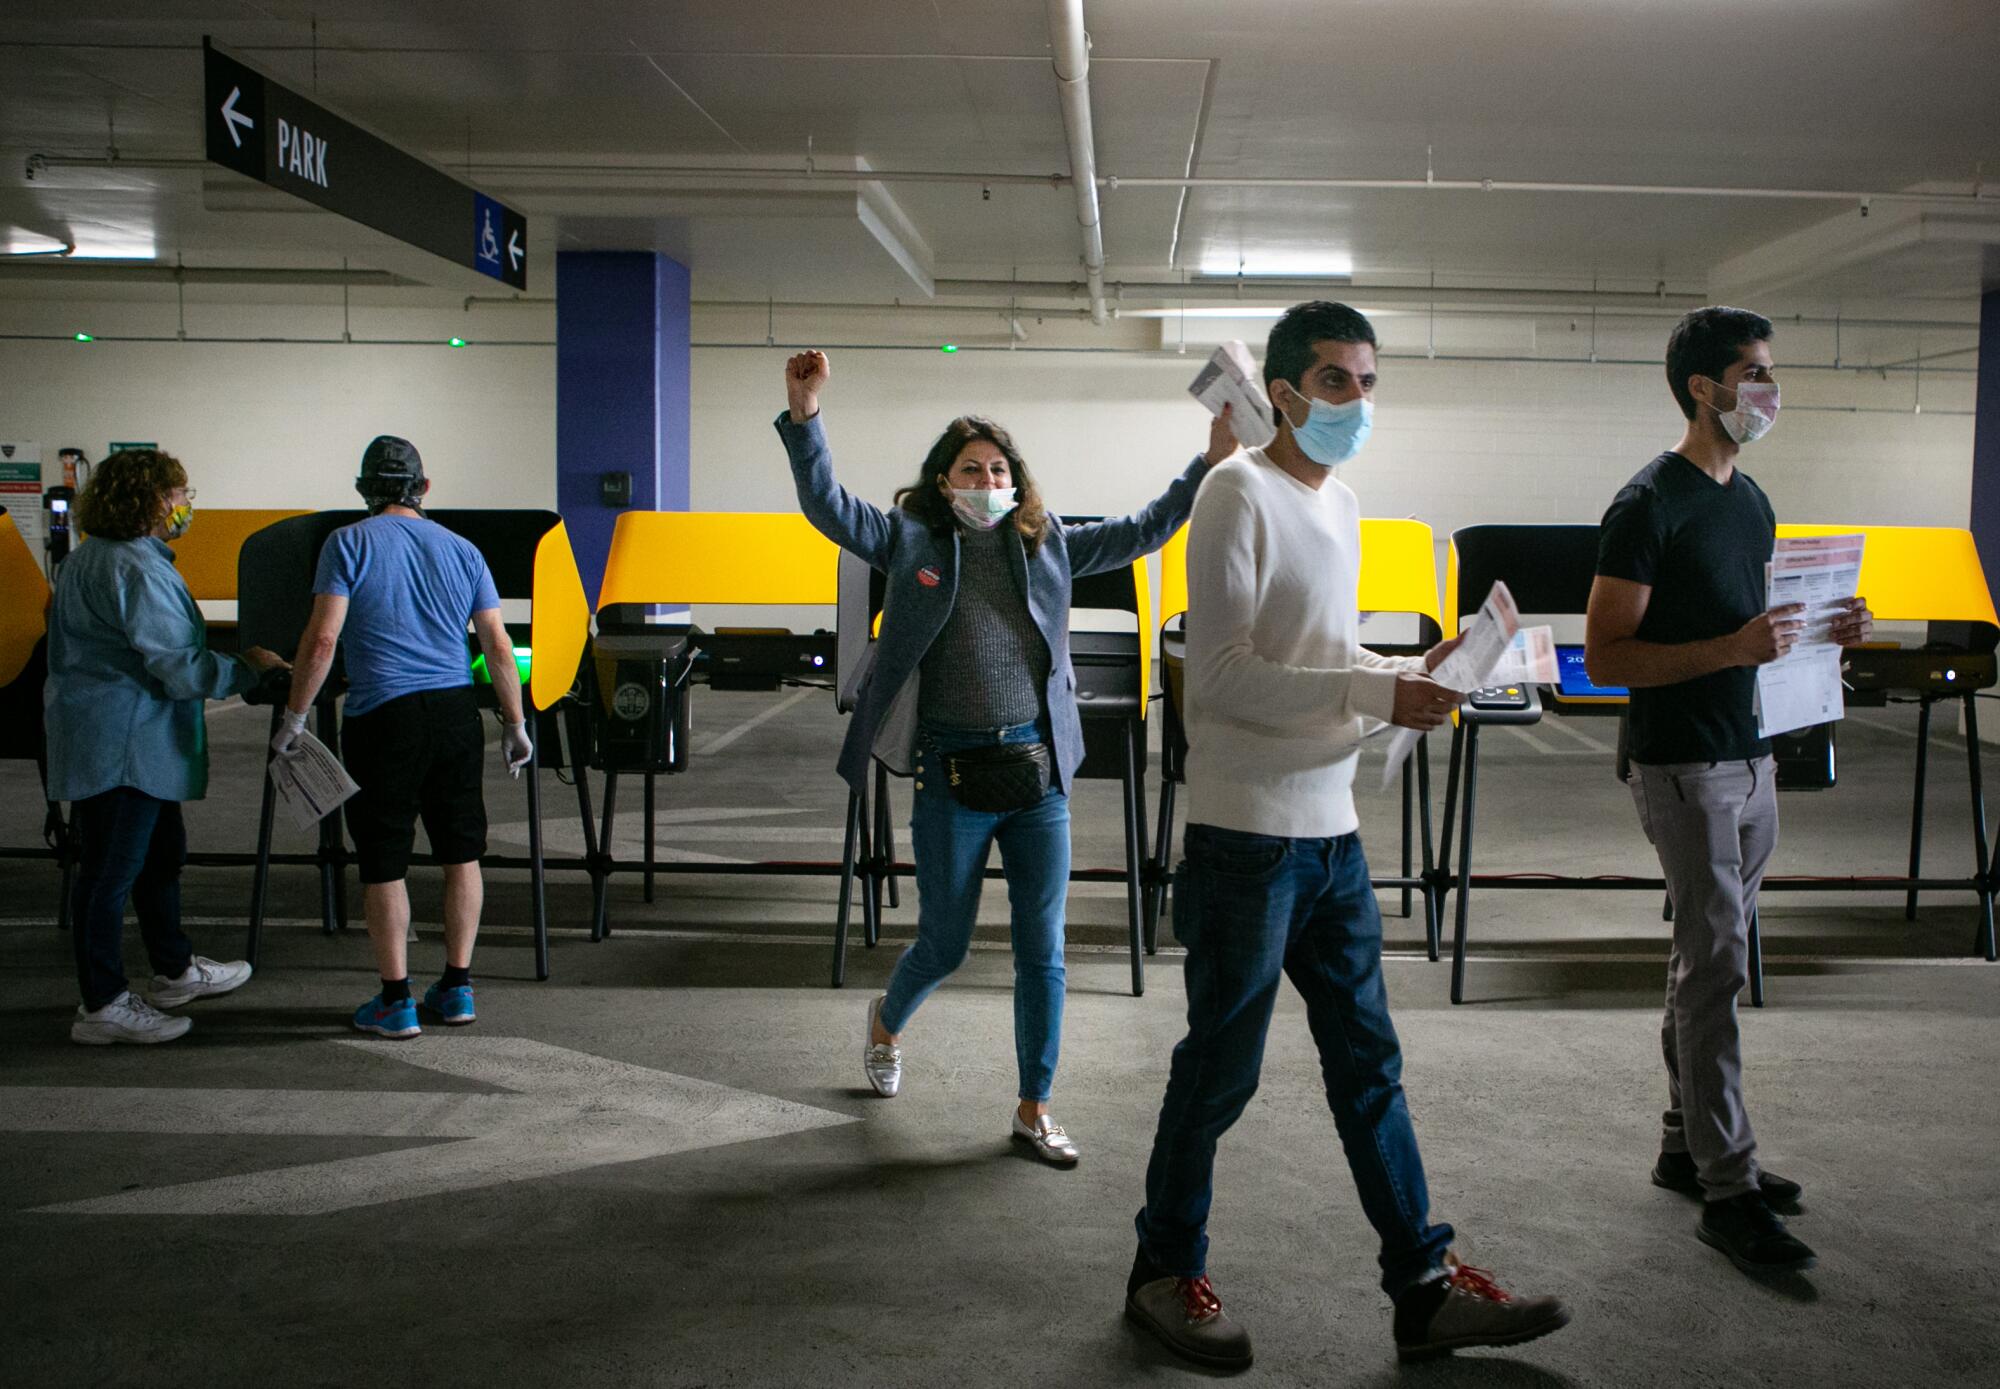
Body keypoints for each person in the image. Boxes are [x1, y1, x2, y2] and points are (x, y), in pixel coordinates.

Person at [1126, 303, 1571, 1370]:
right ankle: (1159, 1273)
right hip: (1245, 842)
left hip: (1331, 839)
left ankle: (1421, 1286)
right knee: (1218, 1073)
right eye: (1335, 383)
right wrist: (1373, 691)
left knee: (1367, 1066)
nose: (1356, 402)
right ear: (1280, 393)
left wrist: (1414, 676)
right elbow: (1220, 677)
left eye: (1367, 383)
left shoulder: (1346, 503)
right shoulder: (1234, 493)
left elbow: (1315, 656)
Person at [777, 349, 1225, 1166]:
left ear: (1015, 481)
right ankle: (885, 1020)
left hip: (1038, 777)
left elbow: (1144, 528)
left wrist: (1206, 465)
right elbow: (828, 506)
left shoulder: (1047, 541)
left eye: (996, 468)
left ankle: (1034, 1106)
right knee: (944, 943)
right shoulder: (908, 537)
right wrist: (808, 416)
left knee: (1040, 950)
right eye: (969, 469)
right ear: (942, 482)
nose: (985, 480)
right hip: (950, 775)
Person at [1585, 307, 1871, 1275]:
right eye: (1751, 374)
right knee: (1714, 966)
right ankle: (1726, 1184)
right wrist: (1732, 649)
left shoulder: (1749, 502)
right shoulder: (1643, 505)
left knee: (1706, 953)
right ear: (1702, 388)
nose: (1767, 391)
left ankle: (1684, 1140)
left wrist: (1828, 628)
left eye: (1768, 372)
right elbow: (1605, 654)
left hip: (1750, 756)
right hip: (1681, 765)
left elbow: (1756, 627)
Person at [280, 436, 531, 1039]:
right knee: (460, 853)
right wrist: (515, 722)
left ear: (365, 490)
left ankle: (395, 1001)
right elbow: (498, 646)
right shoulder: (463, 550)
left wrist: (294, 718)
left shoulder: (347, 543)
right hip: (453, 715)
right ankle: (458, 986)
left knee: (384, 862)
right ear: (423, 489)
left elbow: (321, 641)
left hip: (381, 717)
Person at [46, 448, 286, 1044]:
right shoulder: (137, 569)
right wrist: (248, 668)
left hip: (119, 739)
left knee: (158, 859)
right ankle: (101, 1005)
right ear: (150, 500)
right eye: (179, 495)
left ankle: (174, 969)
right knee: (109, 875)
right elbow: (179, 669)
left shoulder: (88, 558)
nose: (184, 505)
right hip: (125, 744)